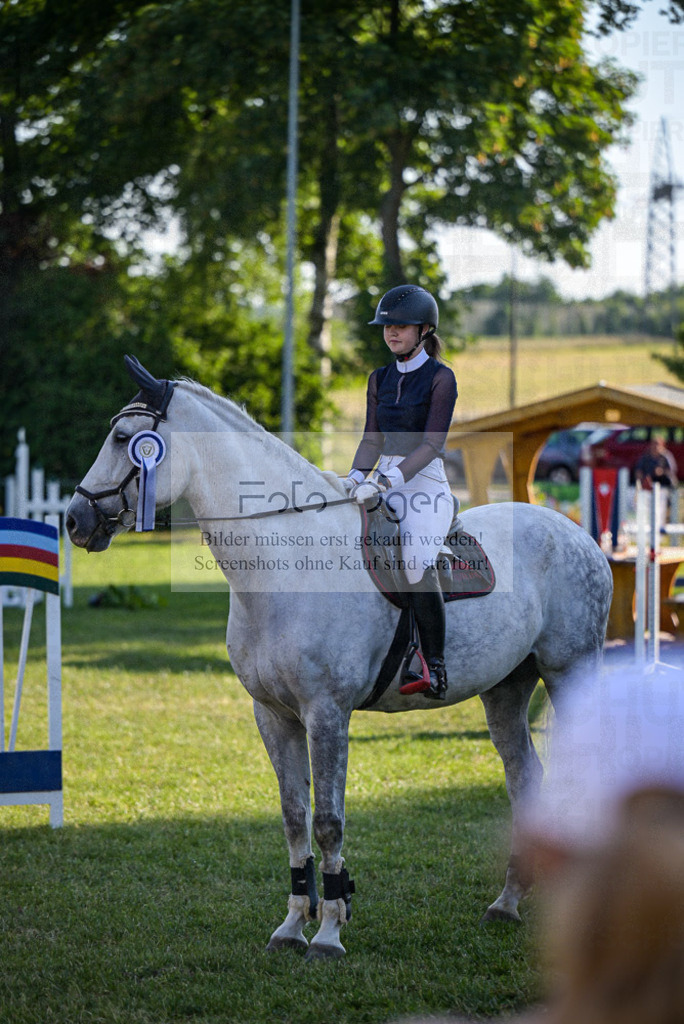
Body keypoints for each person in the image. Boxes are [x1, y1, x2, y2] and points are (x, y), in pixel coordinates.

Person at [343, 284, 457, 700]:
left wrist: (388, 480)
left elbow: (432, 445)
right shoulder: (379, 378)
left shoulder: (441, 378)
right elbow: (371, 439)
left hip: (425, 483)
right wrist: (353, 478)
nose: (392, 332)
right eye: (387, 326)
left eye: (402, 326)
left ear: (424, 330)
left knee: (413, 562)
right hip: (381, 481)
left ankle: (435, 666)